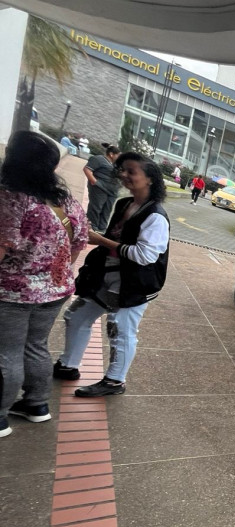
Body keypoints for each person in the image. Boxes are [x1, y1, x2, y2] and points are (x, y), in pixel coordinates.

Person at [54, 152, 169, 397]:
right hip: (106, 275)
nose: (123, 175)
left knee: (120, 329)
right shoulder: (124, 204)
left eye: (131, 171)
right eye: (122, 170)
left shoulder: (156, 217)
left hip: (134, 284)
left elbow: (144, 256)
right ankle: (68, 365)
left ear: (149, 179)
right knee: (77, 315)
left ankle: (115, 381)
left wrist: (101, 240)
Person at [0, 131, 89, 438]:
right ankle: (37, 405)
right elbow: (79, 242)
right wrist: (58, 273)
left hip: (12, 292)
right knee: (36, 346)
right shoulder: (67, 201)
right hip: (55, 289)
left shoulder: (11, 199)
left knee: (7, 351)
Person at [83, 144, 121, 233]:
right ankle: (92, 228)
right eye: (118, 155)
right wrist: (95, 182)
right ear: (111, 154)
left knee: (107, 209)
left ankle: (102, 229)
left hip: (112, 191)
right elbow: (87, 169)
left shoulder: (115, 165)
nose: (119, 157)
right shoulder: (98, 159)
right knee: (96, 208)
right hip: (100, 189)